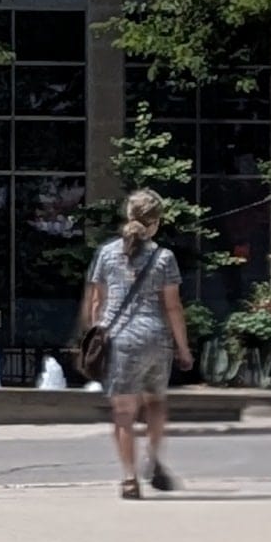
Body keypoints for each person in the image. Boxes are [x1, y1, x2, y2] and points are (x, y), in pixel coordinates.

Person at [80, 187, 192, 499]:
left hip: (120, 342)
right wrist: (183, 348)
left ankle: (130, 479)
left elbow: (97, 302)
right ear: (155, 222)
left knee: (123, 413)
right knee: (155, 403)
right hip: (156, 339)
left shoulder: (107, 253)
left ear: (129, 216)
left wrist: (95, 335)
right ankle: (153, 460)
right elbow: (172, 306)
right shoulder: (164, 257)